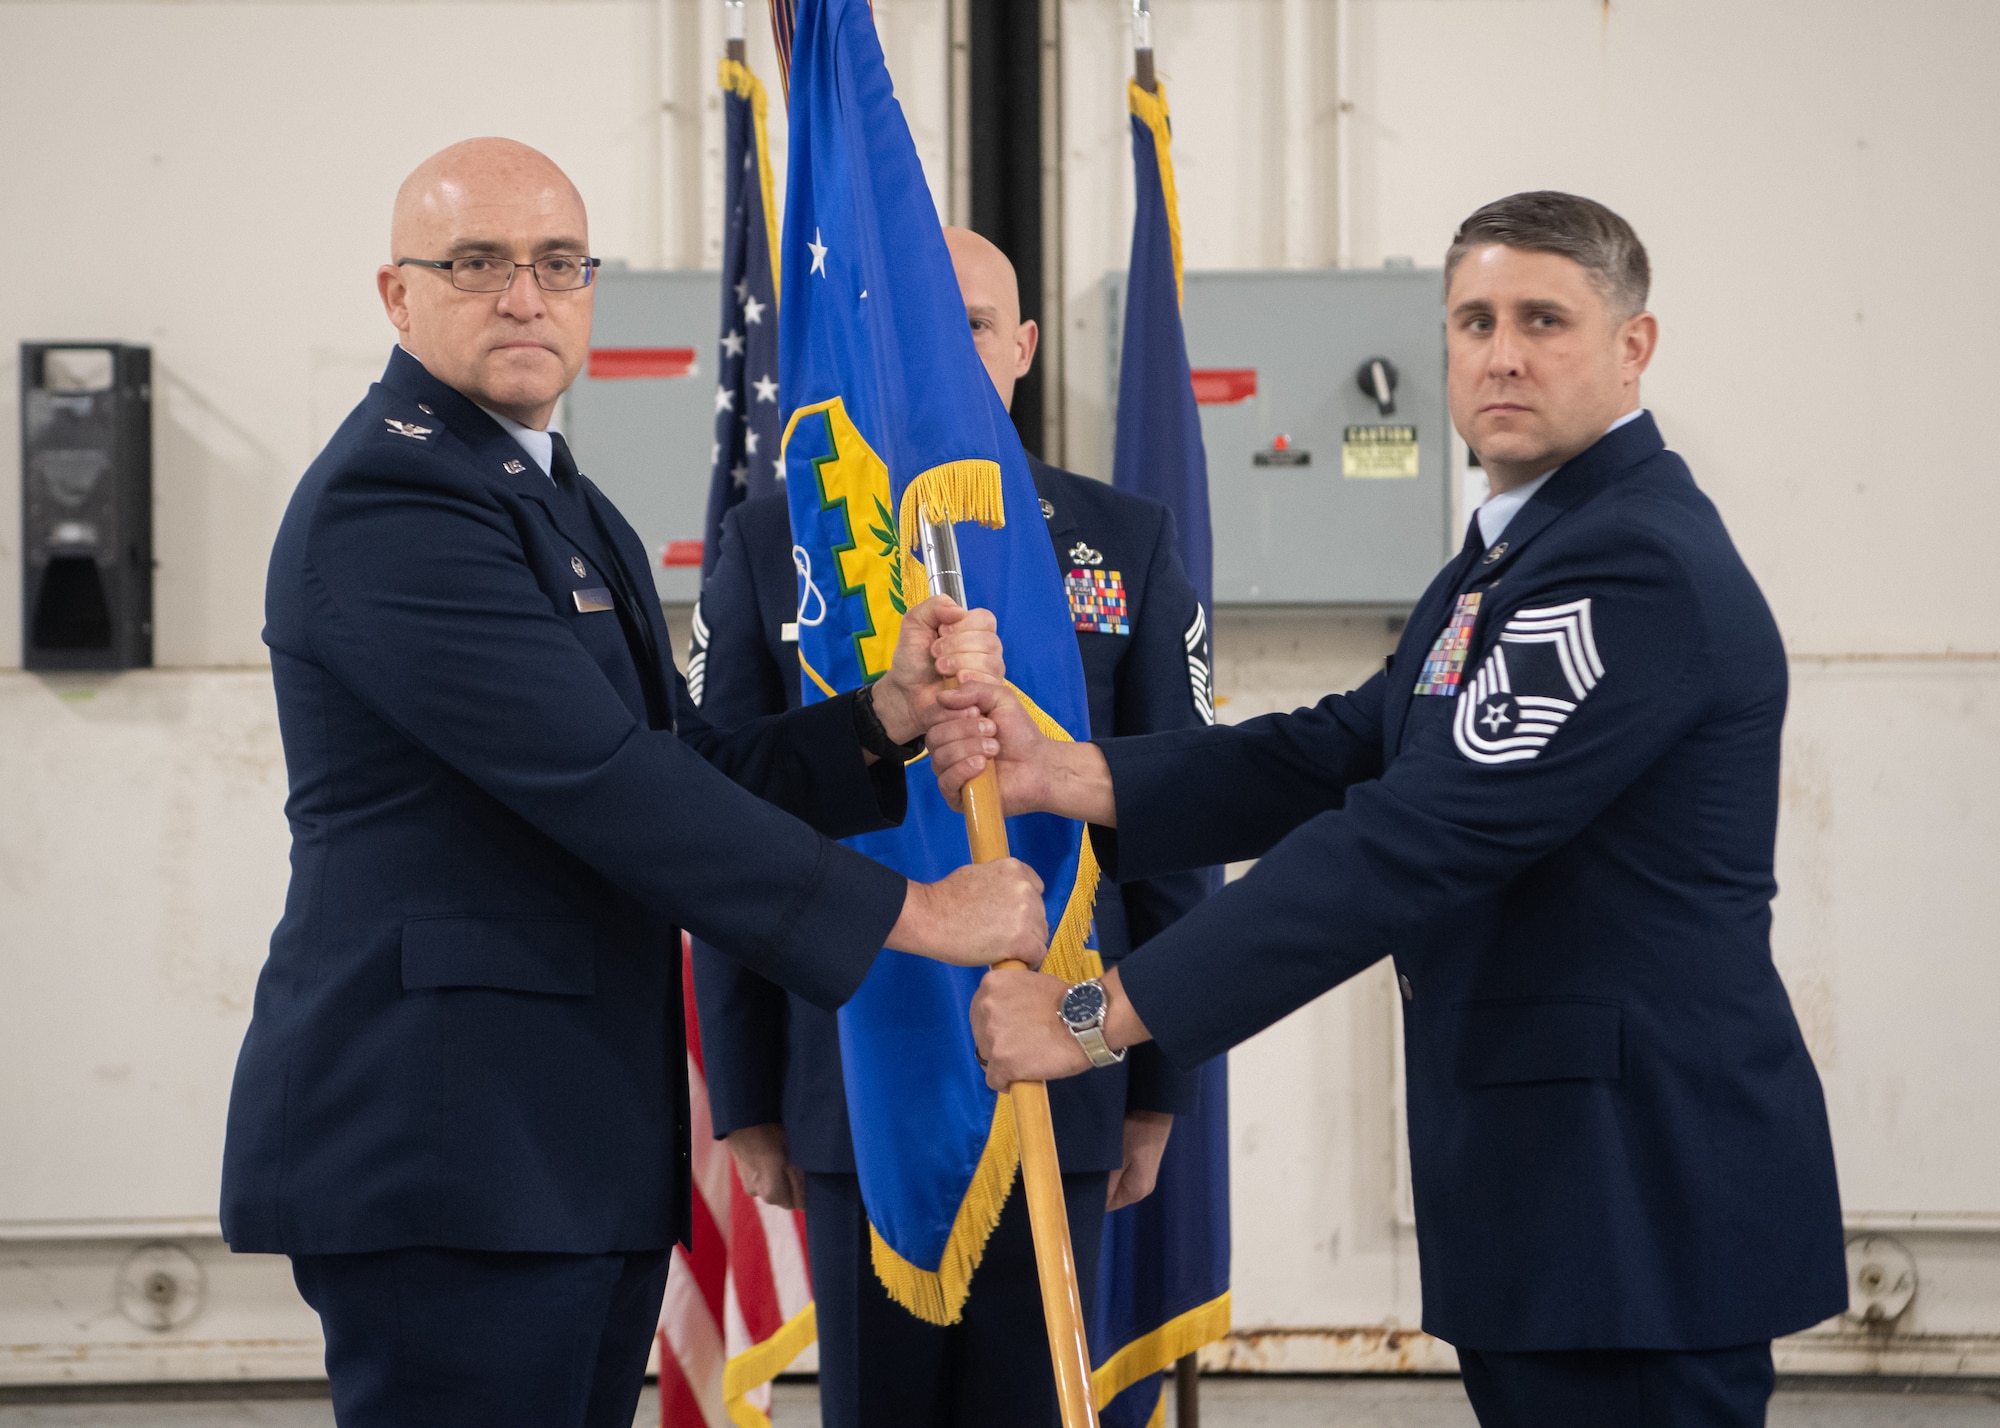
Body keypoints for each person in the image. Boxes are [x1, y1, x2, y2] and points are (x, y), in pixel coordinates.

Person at [939, 192, 1848, 1428]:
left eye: (1543, 320)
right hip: (1552, 1193)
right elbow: (1337, 753)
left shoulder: (1627, 567)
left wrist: (1094, 1017)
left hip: (1628, 1200)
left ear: (1633, 347)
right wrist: (1073, 774)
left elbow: (1406, 840)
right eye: (1472, 320)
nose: (1501, 353)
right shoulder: (1507, 557)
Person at [218, 138, 1046, 1428]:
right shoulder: (392, 499)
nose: (524, 295)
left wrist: (881, 719)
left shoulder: (554, 495)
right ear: (397, 295)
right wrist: (914, 918)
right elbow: (600, 783)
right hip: (449, 1143)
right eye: (476, 263)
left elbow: (678, 764)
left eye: (558, 263)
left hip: (555, 1145)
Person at [687, 227, 1213, 1427]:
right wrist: (749, 1091)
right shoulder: (779, 544)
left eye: (971, 323)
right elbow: (724, 820)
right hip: (850, 1077)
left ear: (1021, 348)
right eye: (911, 329)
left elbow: (1169, 819)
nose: (942, 351)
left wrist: (1159, 1085)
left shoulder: (1116, 544)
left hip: (1068, 1058)